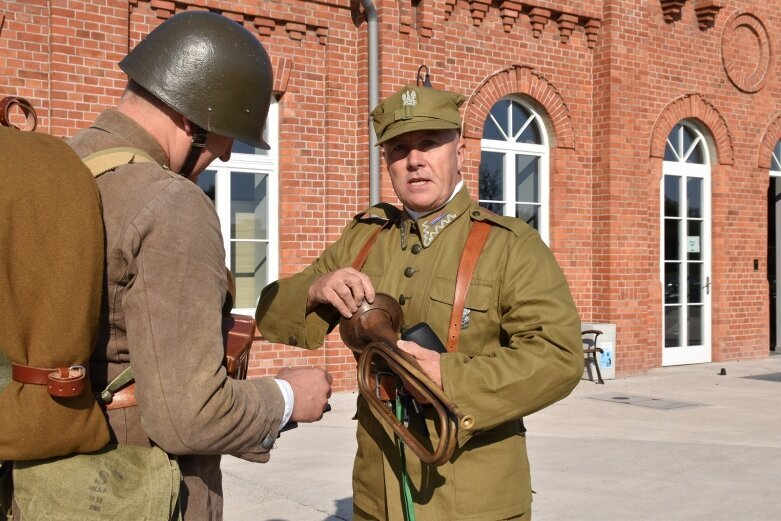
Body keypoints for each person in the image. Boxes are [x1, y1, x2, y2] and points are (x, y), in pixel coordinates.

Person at [256, 80, 584, 520]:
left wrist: (447, 376)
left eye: (429, 143)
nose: (414, 160)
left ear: (460, 152)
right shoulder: (366, 238)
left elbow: (559, 358)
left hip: (472, 499)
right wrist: (315, 289)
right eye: (398, 149)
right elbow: (273, 316)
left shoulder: (512, 246)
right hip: (379, 495)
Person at [65, 12, 331, 520]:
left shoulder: (62, 164)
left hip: (45, 485)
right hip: (138, 489)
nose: (227, 155)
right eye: (225, 134)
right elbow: (189, 415)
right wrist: (285, 398)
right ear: (193, 118)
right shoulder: (169, 204)